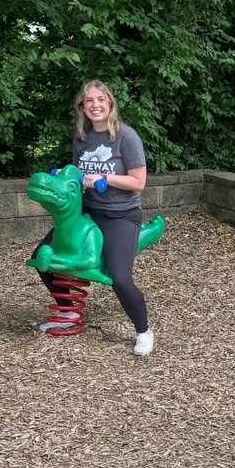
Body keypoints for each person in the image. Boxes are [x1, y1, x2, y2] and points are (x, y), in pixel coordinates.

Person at [32, 79, 155, 356]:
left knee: (120, 278)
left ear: (110, 103)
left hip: (120, 215)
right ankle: (68, 312)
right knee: (42, 258)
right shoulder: (82, 136)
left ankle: (143, 331)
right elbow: (77, 174)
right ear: (82, 107)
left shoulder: (126, 136)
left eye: (100, 99)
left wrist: (104, 178)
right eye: (89, 100)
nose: (95, 105)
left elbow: (139, 182)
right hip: (88, 212)